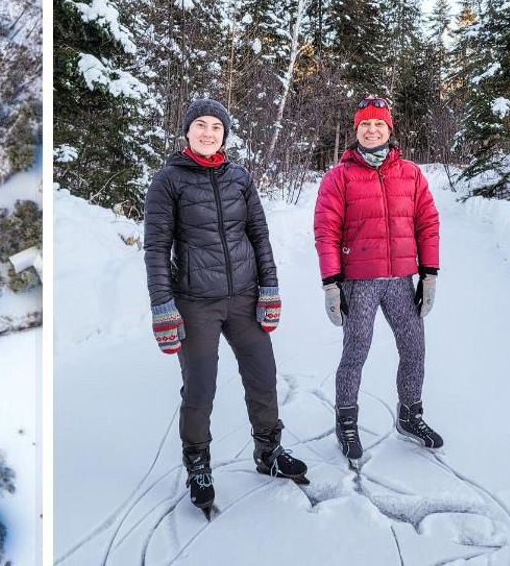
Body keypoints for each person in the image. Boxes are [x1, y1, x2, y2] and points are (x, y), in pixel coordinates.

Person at [144, 98, 306, 517]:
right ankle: (198, 466)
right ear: (186, 131)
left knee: (263, 377)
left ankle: (269, 451)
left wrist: (269, 288)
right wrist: (163, 307)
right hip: (195, 302)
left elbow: (259, 236)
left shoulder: (239, 178)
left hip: (245, 297)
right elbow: (157, 249)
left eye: (216, 127)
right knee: (200, 389)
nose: (208, 133)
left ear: (225, 134)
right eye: (201, 125)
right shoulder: (168, 181)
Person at [313, 95, 443, 466]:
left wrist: (429, 274)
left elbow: (427, 223)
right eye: (365, 125)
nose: (372, 130)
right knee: (356, 351)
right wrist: (331, 283)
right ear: (357, 130)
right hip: (360, 282)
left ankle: (410, 415)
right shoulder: (340, 177)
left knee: (414, 347)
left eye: (379, 124)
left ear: (390, 129)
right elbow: (326, 231)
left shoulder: (411, 174)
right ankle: (346, 421)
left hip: (401, 280)